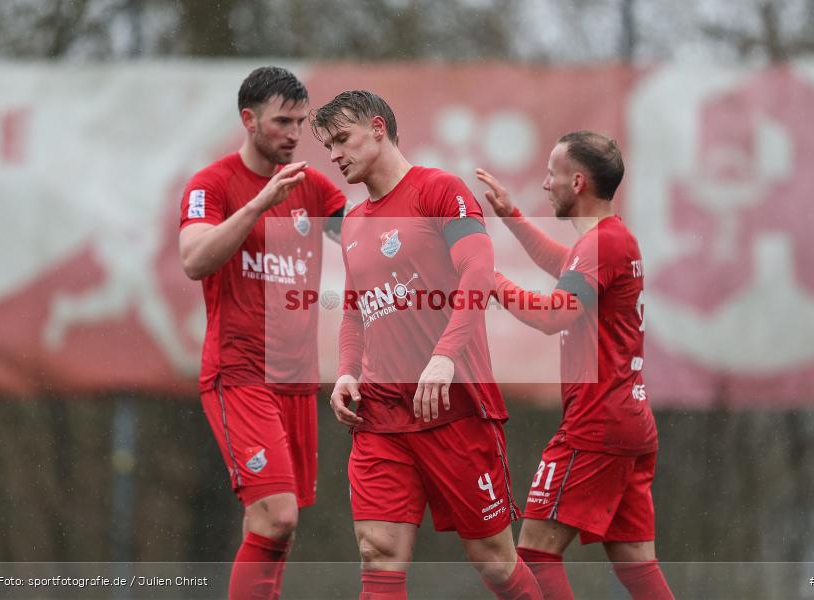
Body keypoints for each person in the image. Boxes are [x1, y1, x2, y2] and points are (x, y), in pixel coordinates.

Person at [311, 90, 543, 600]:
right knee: (378, 554)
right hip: (381, 416)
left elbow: (478, 272)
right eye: (327, 145)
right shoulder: (352, 221)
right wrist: (347, 371)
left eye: (341, 139)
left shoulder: (439, 190)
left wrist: (444, 356)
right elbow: (355, 309)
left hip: (454, 407)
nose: (333, 155)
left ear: (378, 128)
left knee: (496, 564)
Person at [476, 131, 675, 599]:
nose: (546, 184)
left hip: (596, 425)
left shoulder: (602, 245)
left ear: (578, 182)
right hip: (628, 423)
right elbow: (564, 264)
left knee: (535, 557)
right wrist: (512, 217)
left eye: (552, 174)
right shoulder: (612, 240)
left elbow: (552, 315)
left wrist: (489, 279)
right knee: (636, 566)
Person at [179, 66, 346, 600]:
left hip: (295, 382)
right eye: (282, 121)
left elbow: (369, 240)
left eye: (301, 121)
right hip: (240, 375)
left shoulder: (313, 188)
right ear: (248, 120)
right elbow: (194, 260)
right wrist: (257, 206)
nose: (294, 133)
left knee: (277, 527)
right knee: (276, 515)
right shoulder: (213, 183)